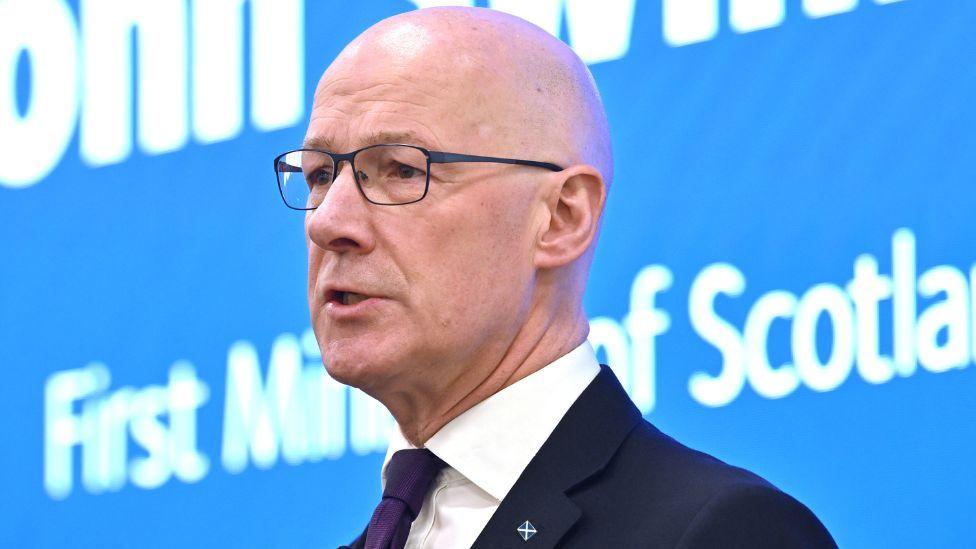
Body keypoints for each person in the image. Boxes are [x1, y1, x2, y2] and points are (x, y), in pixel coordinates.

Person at [276, 6, 836, 548]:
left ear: (562, 218)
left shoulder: (721, 531)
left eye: (402, 169)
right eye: (321, 174)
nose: (329, 221)